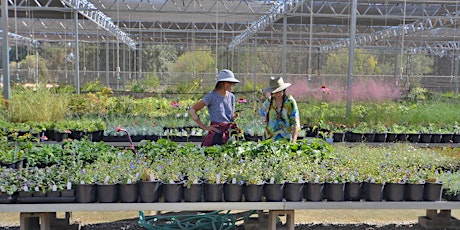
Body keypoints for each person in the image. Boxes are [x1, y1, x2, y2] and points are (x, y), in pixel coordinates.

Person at [188, 69, 240, 146]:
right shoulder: (211, 96)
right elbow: (192, 111)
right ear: (223, 83)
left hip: (229, 133)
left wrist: (234, 116)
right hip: (216, 133)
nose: (232, 85)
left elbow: (229, 116)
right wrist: (204, 127)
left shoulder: (231, 96)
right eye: (230, 83)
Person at [260, 76, 300, 143]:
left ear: (283, 90)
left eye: (279, 91)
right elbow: (262, 113)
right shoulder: (269, 102)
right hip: (269, 139)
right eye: (274, 92)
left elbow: (295, 123)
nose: (277, 94)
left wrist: (294, 141)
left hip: (285, 140)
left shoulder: (290, 102)